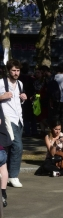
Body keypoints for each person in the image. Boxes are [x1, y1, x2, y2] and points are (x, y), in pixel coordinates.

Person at [0, 59, 27, 188]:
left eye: (18, 70)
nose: (16, 73)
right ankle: (13, 176)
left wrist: (23, 98)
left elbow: (17, 102)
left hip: (18, 119)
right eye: (13, 70)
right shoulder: (1, 83)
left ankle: (6, 172)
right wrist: (1, 96)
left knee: (11, 147)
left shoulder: (20, 84)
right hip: (7, 118)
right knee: (18, 146)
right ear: (8, 71)